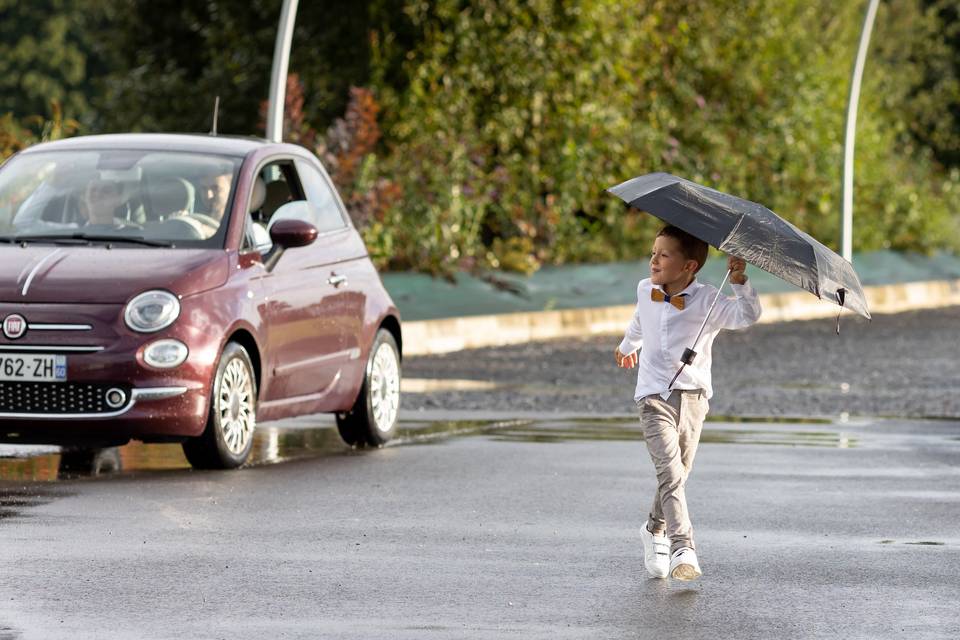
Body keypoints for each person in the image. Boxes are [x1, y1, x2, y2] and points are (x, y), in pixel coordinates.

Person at [614, 225, 762, 581]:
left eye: (664, 255)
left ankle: (654, 529)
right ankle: (684, 547)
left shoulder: (709, 300)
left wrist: (740, 281)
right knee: (669, 471)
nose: (654, 260)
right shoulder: (644, 289)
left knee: (679, 474)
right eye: (653, 252)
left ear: (689, 266)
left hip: (694, 398)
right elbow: (639, 320)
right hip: (652, 397)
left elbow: (747, 316)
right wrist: (626, 346)